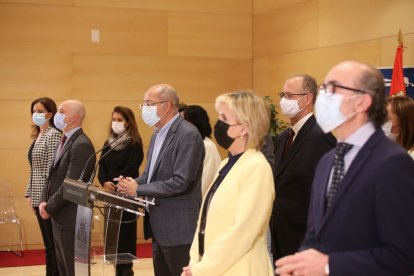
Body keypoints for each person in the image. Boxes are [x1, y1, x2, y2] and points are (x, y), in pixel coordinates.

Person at [275, 61, 414, 276]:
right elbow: (314, 234)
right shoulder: (328, 160)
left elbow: (403, 255)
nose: (323, 98)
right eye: (324, 89)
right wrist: (301, 263)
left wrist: (329, 265)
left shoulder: (392, 163)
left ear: (362, 101)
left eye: (333, 90)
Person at [181, 91, 275, 276]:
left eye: (224, 118)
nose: (218, 124)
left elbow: (242, 233)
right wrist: (195, 261)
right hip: (213, 267)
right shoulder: (227, 164)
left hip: (240, 269)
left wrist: (203, 268)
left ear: (244, 128)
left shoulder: (257, 167)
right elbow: (204, 219)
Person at [118, 84, 205, 276]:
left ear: (166, 106)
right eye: (143, 104)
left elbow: (181, 181)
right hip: (158, 225)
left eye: (148, 103)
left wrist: (138, 190)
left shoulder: (188, 135)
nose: (144, 109)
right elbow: (151, 175)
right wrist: (133, 183)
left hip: (178, 228)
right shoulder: (158, 133)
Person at [270, 74, 336, 262]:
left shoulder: (321, 136)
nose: (283, 100)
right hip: (281, 232)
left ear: (307, 99)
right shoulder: (283, 137)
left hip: (306, 236)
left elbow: (329, 192)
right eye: (282, 94)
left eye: (290, 96)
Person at [39, 100, 96, 276]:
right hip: (60, 216)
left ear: (74, 117)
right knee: (64, 269)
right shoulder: (65, 139)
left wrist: (49, 207)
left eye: (62, 111)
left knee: (74, 271)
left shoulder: (82, 144)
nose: (57, 115)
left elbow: (71, 185)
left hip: (72, 218)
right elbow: (52, 175)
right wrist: (43, 200)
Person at [97, 106, 144, 276]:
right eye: (114, 119)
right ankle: (118, 271)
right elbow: (101, 165)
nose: (115, 123)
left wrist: (115, 184)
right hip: (110, 196)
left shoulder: (134, 143)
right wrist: (104, 182)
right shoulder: (108, 142)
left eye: (119, 120)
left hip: (126, 196)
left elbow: (131, 168)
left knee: (124, 239)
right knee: (113, 241)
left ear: (128, 122)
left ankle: (126, 271)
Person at [25, 97, 62, 276]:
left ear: (50, 113)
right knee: (48, 244)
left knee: (52, 245)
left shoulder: (53, 134)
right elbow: (34, 168)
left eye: (40, 111)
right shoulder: (38, 135)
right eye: (34, 111)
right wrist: (29, 194)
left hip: (46, 198)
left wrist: (43, 199)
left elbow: (51, 170)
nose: (36, 114)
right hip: (36, 195)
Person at [181, 105, 221, 197]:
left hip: (196, 205)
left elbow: (206, 182)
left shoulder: (208, 146)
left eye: (183, 122)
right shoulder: (188, 144)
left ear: (195, 123)